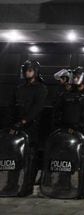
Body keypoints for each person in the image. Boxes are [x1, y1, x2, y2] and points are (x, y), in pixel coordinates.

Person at [3, 60, 48, 196]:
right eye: (26, 69)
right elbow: (11, 106)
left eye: (30, 69)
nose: (27, 72)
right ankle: (11, 185)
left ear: (35, 71)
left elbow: (37, 108)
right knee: (13, 157)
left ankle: (27, 187)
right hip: (15, 127)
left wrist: (22, 122)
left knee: (29, 158)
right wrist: (11, 124)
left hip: (31, 127)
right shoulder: (19, 87)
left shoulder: (41, 88)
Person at [53, 66, 84, 197]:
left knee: (83, 160)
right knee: (65, 159)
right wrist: (60, 126)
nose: (75, 79)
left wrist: (79, 127)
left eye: (78, 76)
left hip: (82, 132)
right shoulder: (67, 93)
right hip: (66, 131)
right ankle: (63, 184)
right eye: (75, 76)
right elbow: (59, 110)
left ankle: (82, 188)